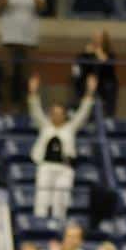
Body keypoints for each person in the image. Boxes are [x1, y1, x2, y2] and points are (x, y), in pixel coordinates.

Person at [30, 75, 95, 220]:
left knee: (61, 199)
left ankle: (59, 223)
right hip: (45, 165)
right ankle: (39, 223)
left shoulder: (70, 128)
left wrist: (89, 92)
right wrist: (33, 93)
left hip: (65, 167)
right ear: (50, 115)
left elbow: (83, 113)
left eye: (60, 114)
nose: (57, 116)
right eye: (54, 113)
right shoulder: (45, 126)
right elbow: (35, 111)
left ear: (65, 115)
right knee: (42, 196)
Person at [0, 0, 47, 108]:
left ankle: (26, 108)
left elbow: (41, 8)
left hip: (29, 41)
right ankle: (6, 107)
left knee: (27, 77)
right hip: (9, 39)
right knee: (7, 75)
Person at [72, 29, 118, 117]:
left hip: (103, 84)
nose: (96, 40)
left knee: (104, 86)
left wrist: (99, 54)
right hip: (86, 83)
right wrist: (86, 53)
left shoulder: (110, 54)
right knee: (88, 82)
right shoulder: (85, 54)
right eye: (95, 37)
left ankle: (103, 113)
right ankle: (83, 111)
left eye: (99, 37)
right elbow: (78, 69)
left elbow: (110, 71)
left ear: (104, 40)